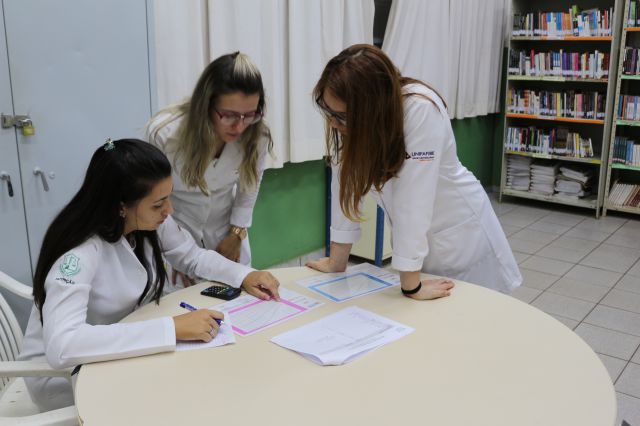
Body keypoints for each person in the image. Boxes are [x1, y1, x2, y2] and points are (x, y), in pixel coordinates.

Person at [18, 139, 280, 411]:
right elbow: (63, 346)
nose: (169, 211)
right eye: (158, 204)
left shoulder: (146, 221)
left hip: (116, 346)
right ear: (121, 206)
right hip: (66, 375)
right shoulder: (79, 253)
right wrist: (172, 328)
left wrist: (244, 275)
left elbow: (192, 256)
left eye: (169, 198)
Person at [307, 44, 522, 299]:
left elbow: (413, 200)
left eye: (341, 116)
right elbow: (345, 182)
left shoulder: (420, 110)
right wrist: (336, 262)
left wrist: (411, 286)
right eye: (329, 112)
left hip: (460, 237)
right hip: (420, 244)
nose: (333, 123)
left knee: (476, 312)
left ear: (369, 108)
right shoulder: (354, 125)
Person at [145, 52, 272, 288]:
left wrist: (236, 233)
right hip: (175, 232)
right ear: (205, 105)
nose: (240, 126)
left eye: (249, 115)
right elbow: (154, 200)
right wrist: (178, 252)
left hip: (226, 235)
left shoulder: (257, 134)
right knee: (183, 304)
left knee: (236, 301)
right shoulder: (165, 134)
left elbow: (250, 186)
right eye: (229, 115)